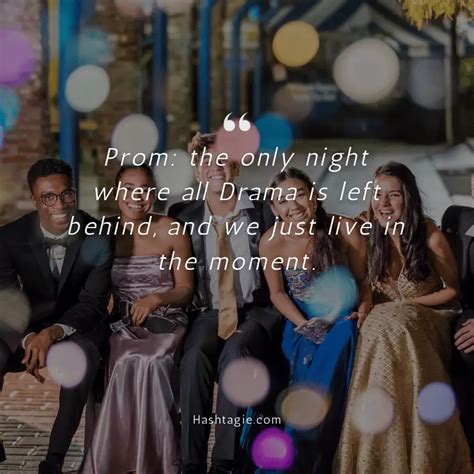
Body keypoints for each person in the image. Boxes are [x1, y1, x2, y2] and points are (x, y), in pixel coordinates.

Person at [335, 162, 472, 473]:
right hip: (385, 321)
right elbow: (366, 283)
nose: (383, 203)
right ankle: (376, 454)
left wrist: (407, 303)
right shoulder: (369, 232)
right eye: (377, 194)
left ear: (408, 198)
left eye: (393, 195)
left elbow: (452, 291)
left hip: (430, 317)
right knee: (374, 328)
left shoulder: (430, 236)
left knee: (395, 326)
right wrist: (366, 304)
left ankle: (421, 451)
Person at [168, 132, 284, 474]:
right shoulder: (183, 215)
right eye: (206, 162)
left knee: (236, 355)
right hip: (208, 312)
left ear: (237, 167)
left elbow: (304, 218)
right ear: (197, 170)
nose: (215, 168)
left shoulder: (264, 209)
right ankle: (191, 462)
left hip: (255, 312)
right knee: (194, 357)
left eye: (223, 161)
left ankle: (224, 463)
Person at [0, 158, 113, 474]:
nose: (60, 204)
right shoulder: (9, 237)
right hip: (26, 325)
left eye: (66, 194)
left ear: (74, 193)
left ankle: (53, 462)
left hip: (78, 325)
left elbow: (93, 303)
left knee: (83, 357)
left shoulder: (98, 235)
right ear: (34, 199)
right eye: (48, 197)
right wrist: (29, 339)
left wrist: (53, 333)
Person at [257, 167, 370, 473]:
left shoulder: (344, 229)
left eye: (299, 195)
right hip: (300, 320)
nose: (292, 205)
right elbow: (277, 293)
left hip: (344, 317)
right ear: (274, 209)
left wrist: (363, 308)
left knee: (345, 332)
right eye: (282, 200)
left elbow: (364, 281)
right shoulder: (271, 241)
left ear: (315, 197)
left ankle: (301, 449)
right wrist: (303, 324)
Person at [82, 164, 193, 473]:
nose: (136, 197)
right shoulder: (103, 232)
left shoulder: (172, 229)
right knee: (122, 358)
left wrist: (157, 298)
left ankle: (156, 459)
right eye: (128, 189)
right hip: (124, 322)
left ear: (153, 195)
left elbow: (186, 289)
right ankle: (118, 458)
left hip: (167, 318)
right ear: (116, 193)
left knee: (153, 360)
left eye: (144, 190)